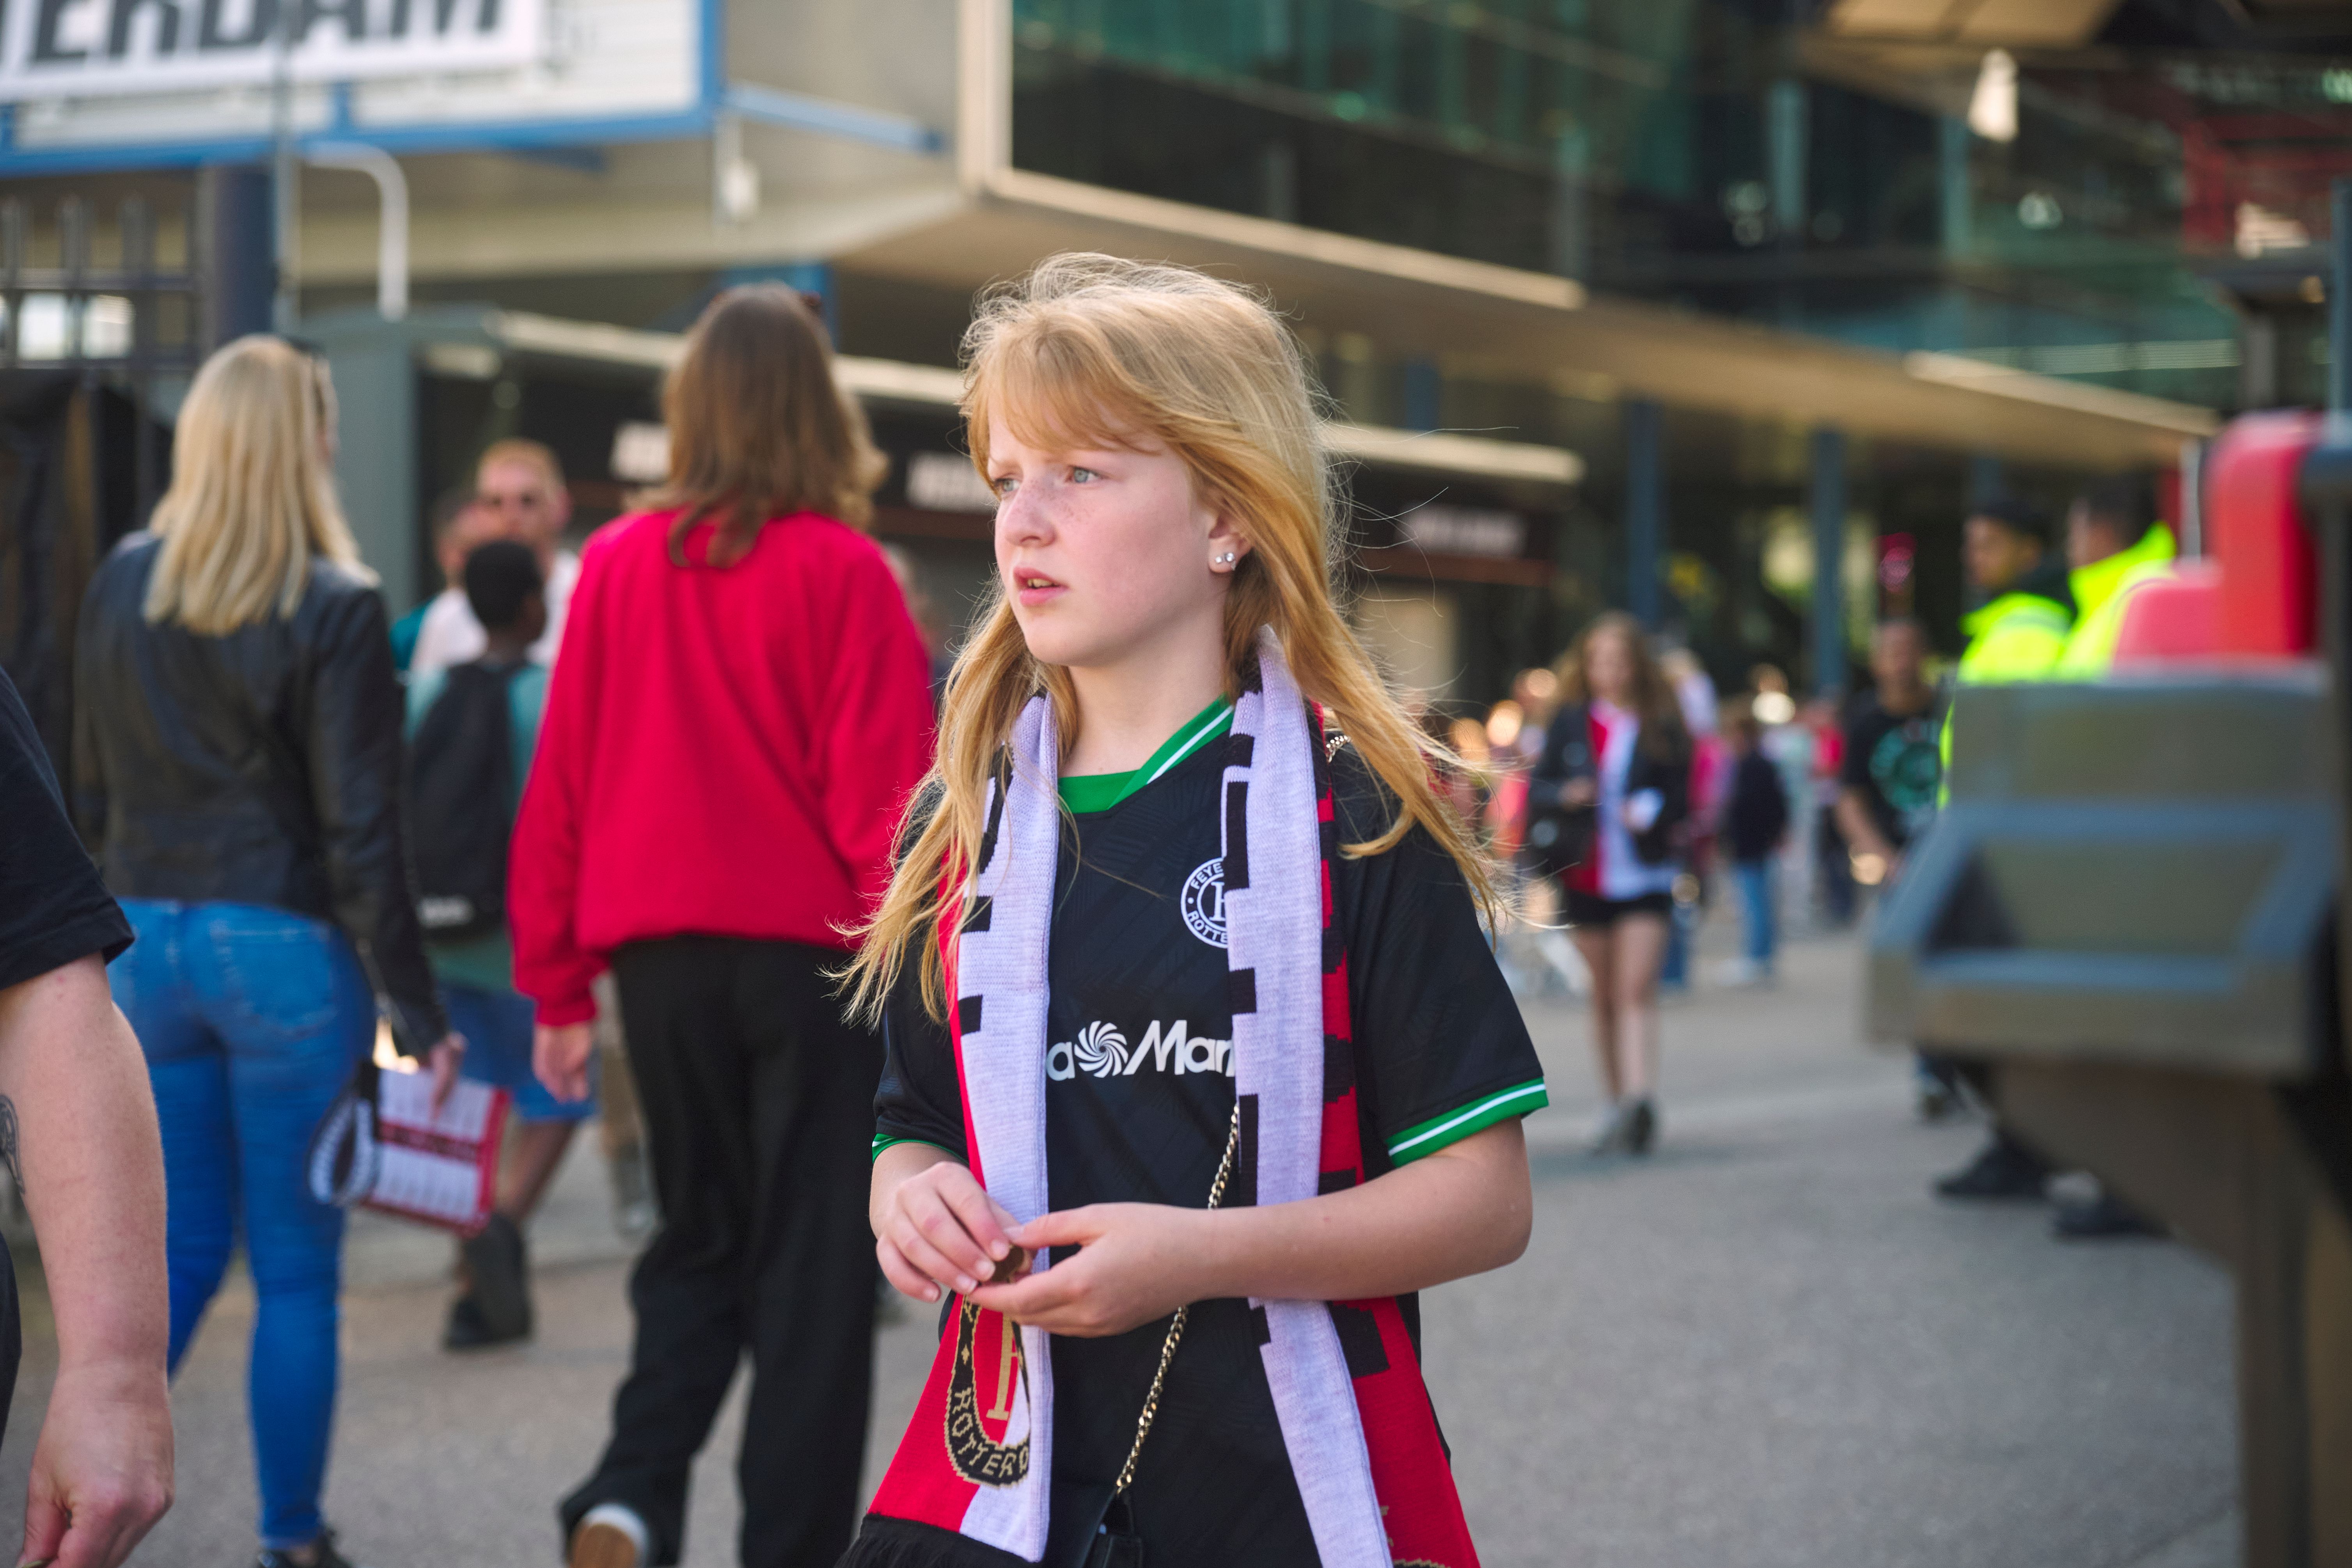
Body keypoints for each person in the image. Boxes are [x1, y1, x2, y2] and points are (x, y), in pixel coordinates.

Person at [840, 253, 1541, 1568]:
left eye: (1081, 475)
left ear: (1228, 516)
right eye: (1007, 480)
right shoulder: (970, 823)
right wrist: (912, 1200)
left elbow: (1484, 1201)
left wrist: (1200, 1257)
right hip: (1000, 1488)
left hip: (1277, 1492)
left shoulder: (1361, 814)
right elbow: (913, 1124)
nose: (1023, 521)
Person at [507, 285, 934, 1568]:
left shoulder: (620, 566)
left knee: (694, 1241)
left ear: (690, 408)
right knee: (814, 1274)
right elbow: (889, 809)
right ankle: (787, 1553)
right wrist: (927, 995)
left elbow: (564, 780)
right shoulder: (848, 572)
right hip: (817, 964)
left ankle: (632, 1494)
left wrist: (561, 991)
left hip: (658, 961)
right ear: (822, 409)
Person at [71, 335, 463, 1568]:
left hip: (142, 945)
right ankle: (292, 1537)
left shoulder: (121, 581)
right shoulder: (337, 601)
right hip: (282, 950)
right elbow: (362, 829)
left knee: (173, 1253)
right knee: (297, 1269)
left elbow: (83, 775)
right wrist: (418, 1009)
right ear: (308, 444)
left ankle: (78, 1496)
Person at [0, 667, 174, 1568]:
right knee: (295, 1262)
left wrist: (116, 1368)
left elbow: (39, 962)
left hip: (170, 916)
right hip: (269, 926)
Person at [406, 541, 592, 1347]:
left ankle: (470, 1280)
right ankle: (506, 1225)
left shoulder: (432, 693)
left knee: (470, 1107)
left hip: (447, 937)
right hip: (527, 941)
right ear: (532, 606)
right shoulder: (550, 697)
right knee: (559, 1095)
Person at [1933, 496, 2072, 1204]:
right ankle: (2026, 1143)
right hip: (1984, 847)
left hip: (2004, 853)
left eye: (1988, 542)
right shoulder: (2003, 626)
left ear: (2028, 548)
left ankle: (2035, 1143)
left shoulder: (2031, 627)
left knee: (1959, 1011)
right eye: (1970, 542)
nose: (1973, 555)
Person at [1532, 612, 1692, 1156]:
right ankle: (1613, 1099)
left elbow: (1684, 790)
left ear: (1636, 665)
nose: (1608, 670)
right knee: (1602, 994)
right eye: (1598, 660)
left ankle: (1640, 1098)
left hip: (1644, 872)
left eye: (1619, 660)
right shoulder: (1569, 720)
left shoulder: (1660, 720)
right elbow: (1538, 787)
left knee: (1634, 987)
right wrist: (1567, 794)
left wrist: (1649, 809)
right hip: (1584, 871)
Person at [410, 438, 581, 682]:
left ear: (560, 507)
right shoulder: (447, 616)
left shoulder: (587, 598)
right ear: (477, 513)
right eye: (495, 503)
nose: (511, 517)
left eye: (527, 501)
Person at [1715, 697, 1788, 988]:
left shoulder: (1754, 766)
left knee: (1755, 903)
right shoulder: (1750, 764)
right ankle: (1762, 957)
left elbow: (1765, 807)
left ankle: (1757, 958)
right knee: (1758, 901)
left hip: (1753, 844)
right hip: (1754, 843)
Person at [390, 488, 489, 676]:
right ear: (444, 549)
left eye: (486, 551)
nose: (480, 564)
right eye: (467, 551)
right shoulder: (409, 635)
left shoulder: (512, 628)